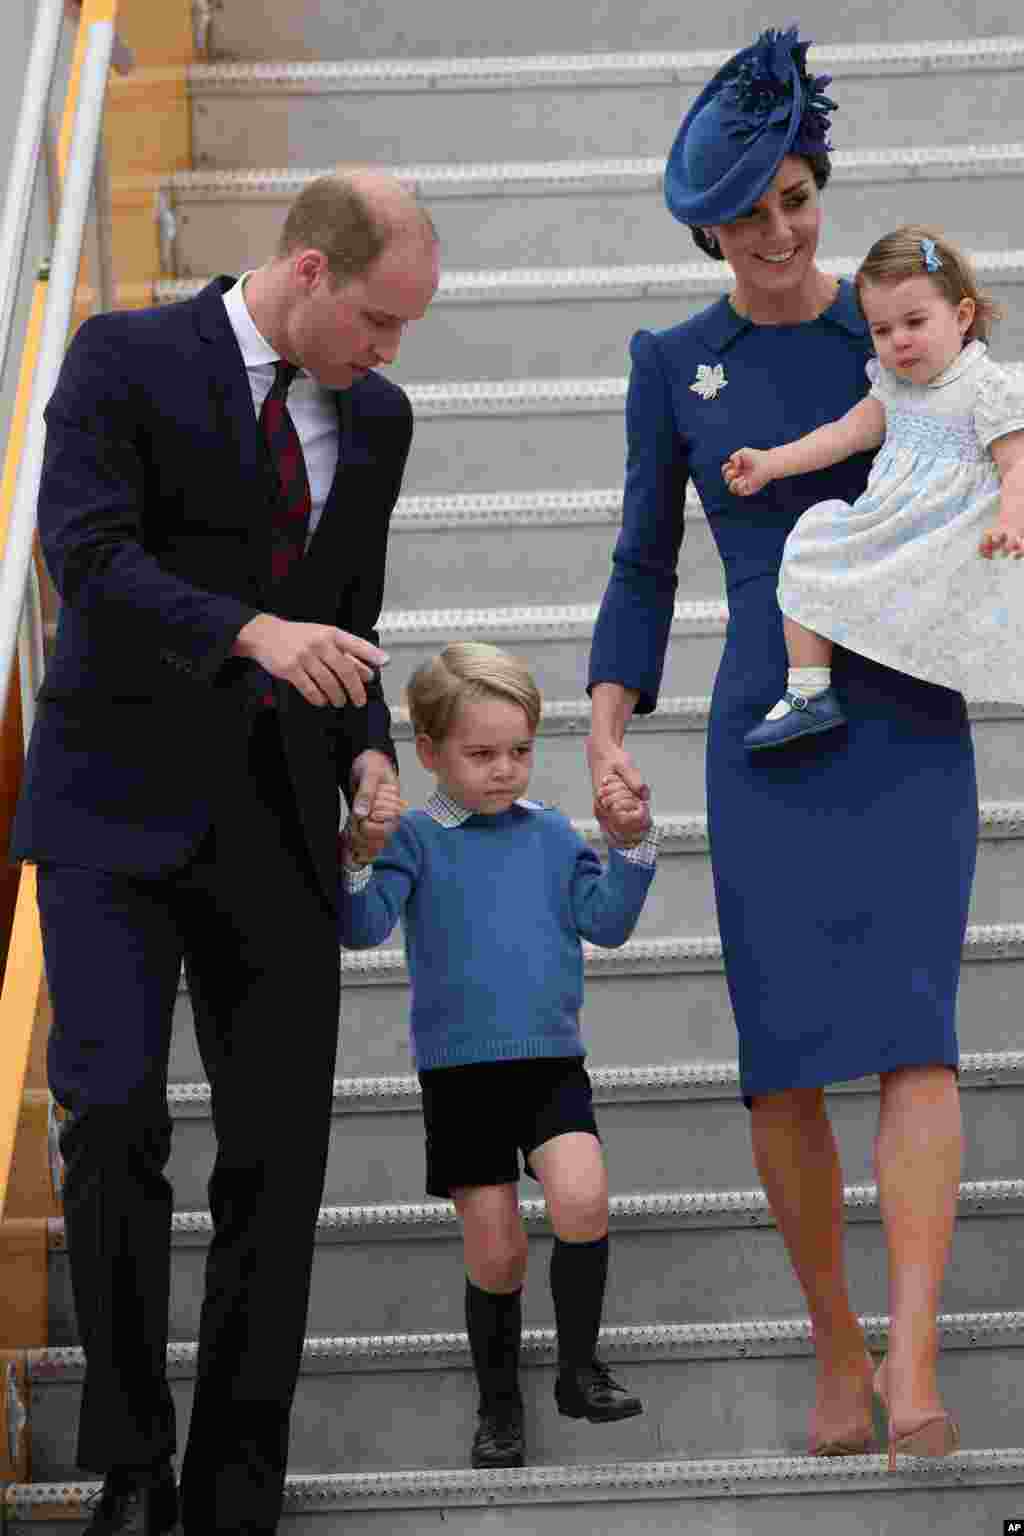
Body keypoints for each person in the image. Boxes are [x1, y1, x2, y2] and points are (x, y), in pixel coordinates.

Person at [10, 170, 439, 1535]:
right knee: (115, 1117)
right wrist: (251, 633)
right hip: (112, 813)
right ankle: (131, 1461)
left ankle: (233, 1483)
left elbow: (349, 619)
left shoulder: (378, 420)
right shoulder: (125, 355)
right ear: (308, 269)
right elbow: (83, 552)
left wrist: (369, 747)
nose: (386, 355)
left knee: (279, 1155)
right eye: (376, 320)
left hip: (276, 827)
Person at [586, 27, 971, 1470]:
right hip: (764, 722)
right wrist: (610, 724)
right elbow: (642, 565)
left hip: (906, 709)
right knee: (787, 1063)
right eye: (748, 212)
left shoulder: (894, 330)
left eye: (799, 197)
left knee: (916, 1036)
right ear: (705, 226)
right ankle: (834, 1343)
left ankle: (917, 1359)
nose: (779, 230)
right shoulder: (673, 364)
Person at [338, 641, 657, 1470]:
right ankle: (500, 1402)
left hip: (551, 1064)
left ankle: (580, 1370)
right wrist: (356, 858)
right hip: (461, 1076)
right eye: (481, 754)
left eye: (519, 751)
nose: (505, 770)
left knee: (583, 1194)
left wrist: (630, 845)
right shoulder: (413, 839)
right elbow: (364, 927)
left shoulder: (552, 835)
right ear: (432, 752)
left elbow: (608, 922)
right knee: (498, 1247)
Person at [724, 225, 1024, 750]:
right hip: (890, 528)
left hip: (951, 541)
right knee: (812, 541)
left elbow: (1017, 463)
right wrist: (772, 462)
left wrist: (1011, 520)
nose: (899, 340)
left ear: (962, 316)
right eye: (882, 330)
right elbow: (842, 435)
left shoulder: (987, 387)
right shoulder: (893, 386)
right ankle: (810, 692)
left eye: (915, 322)